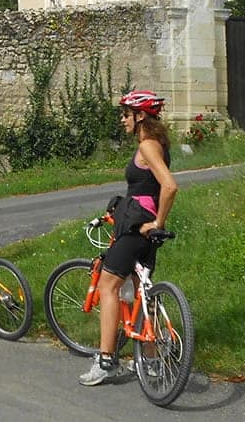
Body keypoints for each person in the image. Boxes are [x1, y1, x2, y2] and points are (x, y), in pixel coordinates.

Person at [78, 90, 179, 386]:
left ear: (141, 116)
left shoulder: (148, 145)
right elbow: (151, 188)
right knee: (140, 294)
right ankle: (148, 360)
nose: (122, 119)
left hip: (137, 228)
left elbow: (169, 186)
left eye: (125, 114)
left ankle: (106, 359)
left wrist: (156, 222)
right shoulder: (158, 143)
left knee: (109, 286)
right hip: (144, 228)